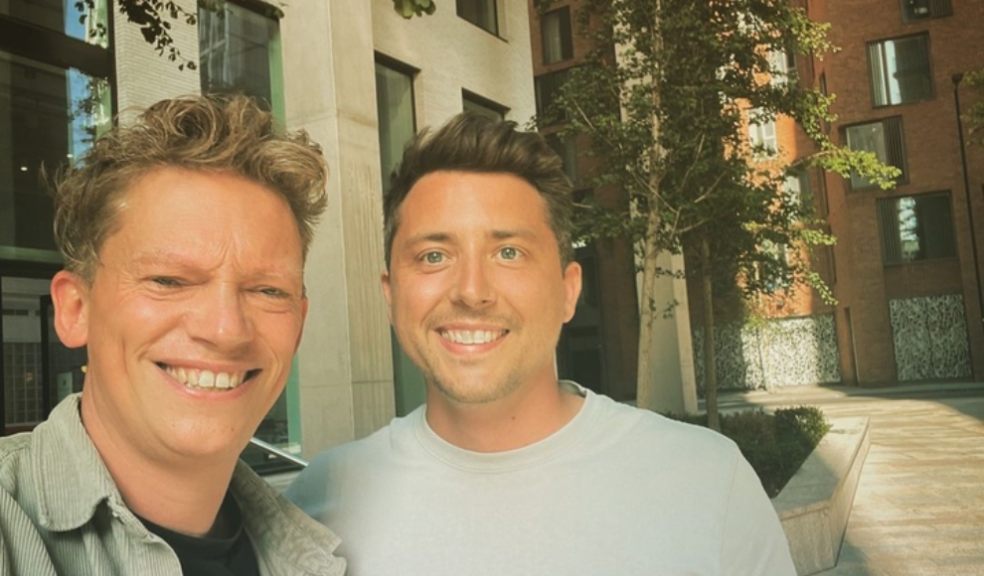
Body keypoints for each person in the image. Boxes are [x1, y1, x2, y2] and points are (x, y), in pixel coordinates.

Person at [286, 113, 796, 575]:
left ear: (568, 291)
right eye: (434, 256)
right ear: (391, 294)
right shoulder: (318, 505)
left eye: (508, 252)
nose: (471, 291)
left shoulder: (707, 482)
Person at [0, 95, 346, 576]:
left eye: (267, 290)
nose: (225, 330)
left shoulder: (321, 549)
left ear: (299, 324)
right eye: (168, 281)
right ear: (76, 309)